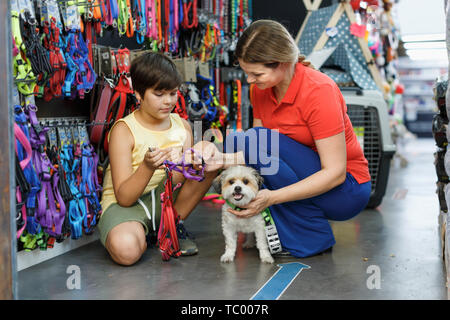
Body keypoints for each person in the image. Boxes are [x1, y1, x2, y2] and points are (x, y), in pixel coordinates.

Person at [198, 20, 372, 258]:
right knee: (238, 142)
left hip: (346, 190)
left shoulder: (319, 91)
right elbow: (258, 154)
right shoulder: (259, 89)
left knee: (250, 139)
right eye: (246, 72)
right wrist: (221, 160)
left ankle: (308, 236)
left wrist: (270, 198)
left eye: (256, 73)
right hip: (307, 175)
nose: (249, 80)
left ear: (281, 63)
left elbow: (335, 172)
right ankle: (304, 232)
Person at [98, 52, 218, 266]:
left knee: (209, 156)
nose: (168, 101)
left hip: (165, 200)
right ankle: (144, 233)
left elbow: (184, 178)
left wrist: (193, 159)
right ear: (138, 94)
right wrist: (147, 166)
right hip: (127, 207)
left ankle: (172, 226)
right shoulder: (124, 130)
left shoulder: (183, 126)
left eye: (173, 93)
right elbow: (124, 198)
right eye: (159, 94)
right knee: (126, 251)